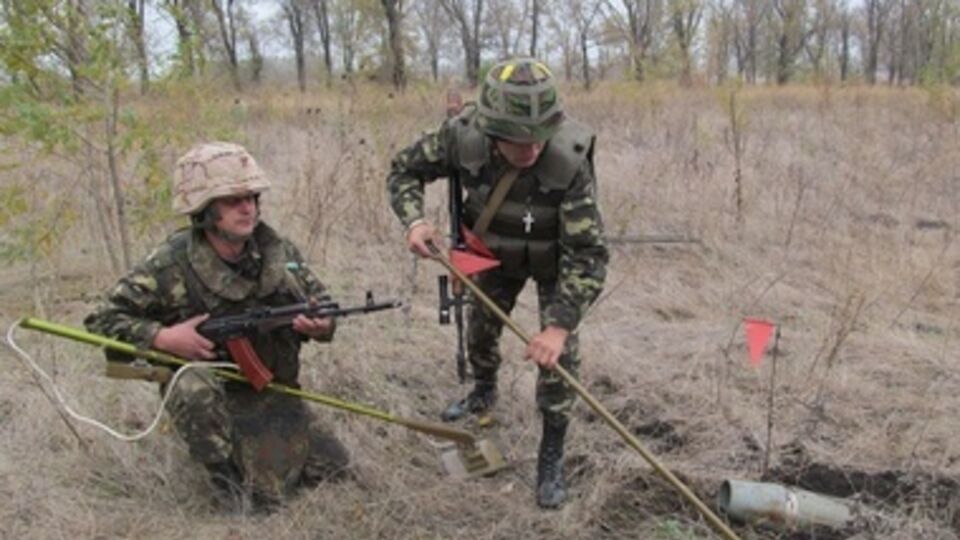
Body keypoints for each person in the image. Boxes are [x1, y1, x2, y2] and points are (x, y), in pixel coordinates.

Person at [386, 58, 609, 508]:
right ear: (490, 129)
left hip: (554, 261)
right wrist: (414, 221)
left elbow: (588, 254)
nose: (529, 150)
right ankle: (484, 390)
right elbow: (403, 170)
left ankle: (551, 451)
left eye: (538, 138)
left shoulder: (570, 161)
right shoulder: (461, 137)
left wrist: (558, 328)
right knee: (481, 328)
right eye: (515, 140)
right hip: (491, 253)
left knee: (560, 361)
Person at [85, 141, 350, 511]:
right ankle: (225, 480)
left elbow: (321, 305)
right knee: (198, 395)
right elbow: (101, 321)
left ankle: (264, 450)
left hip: (272, 388)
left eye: (252, 197)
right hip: (216, 396)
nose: (248, 208)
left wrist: (321, 325)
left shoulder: (278, 252)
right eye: (232, 200)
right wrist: (163, 337)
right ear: (204, 210)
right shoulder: (169, 264)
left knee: (334, 469)